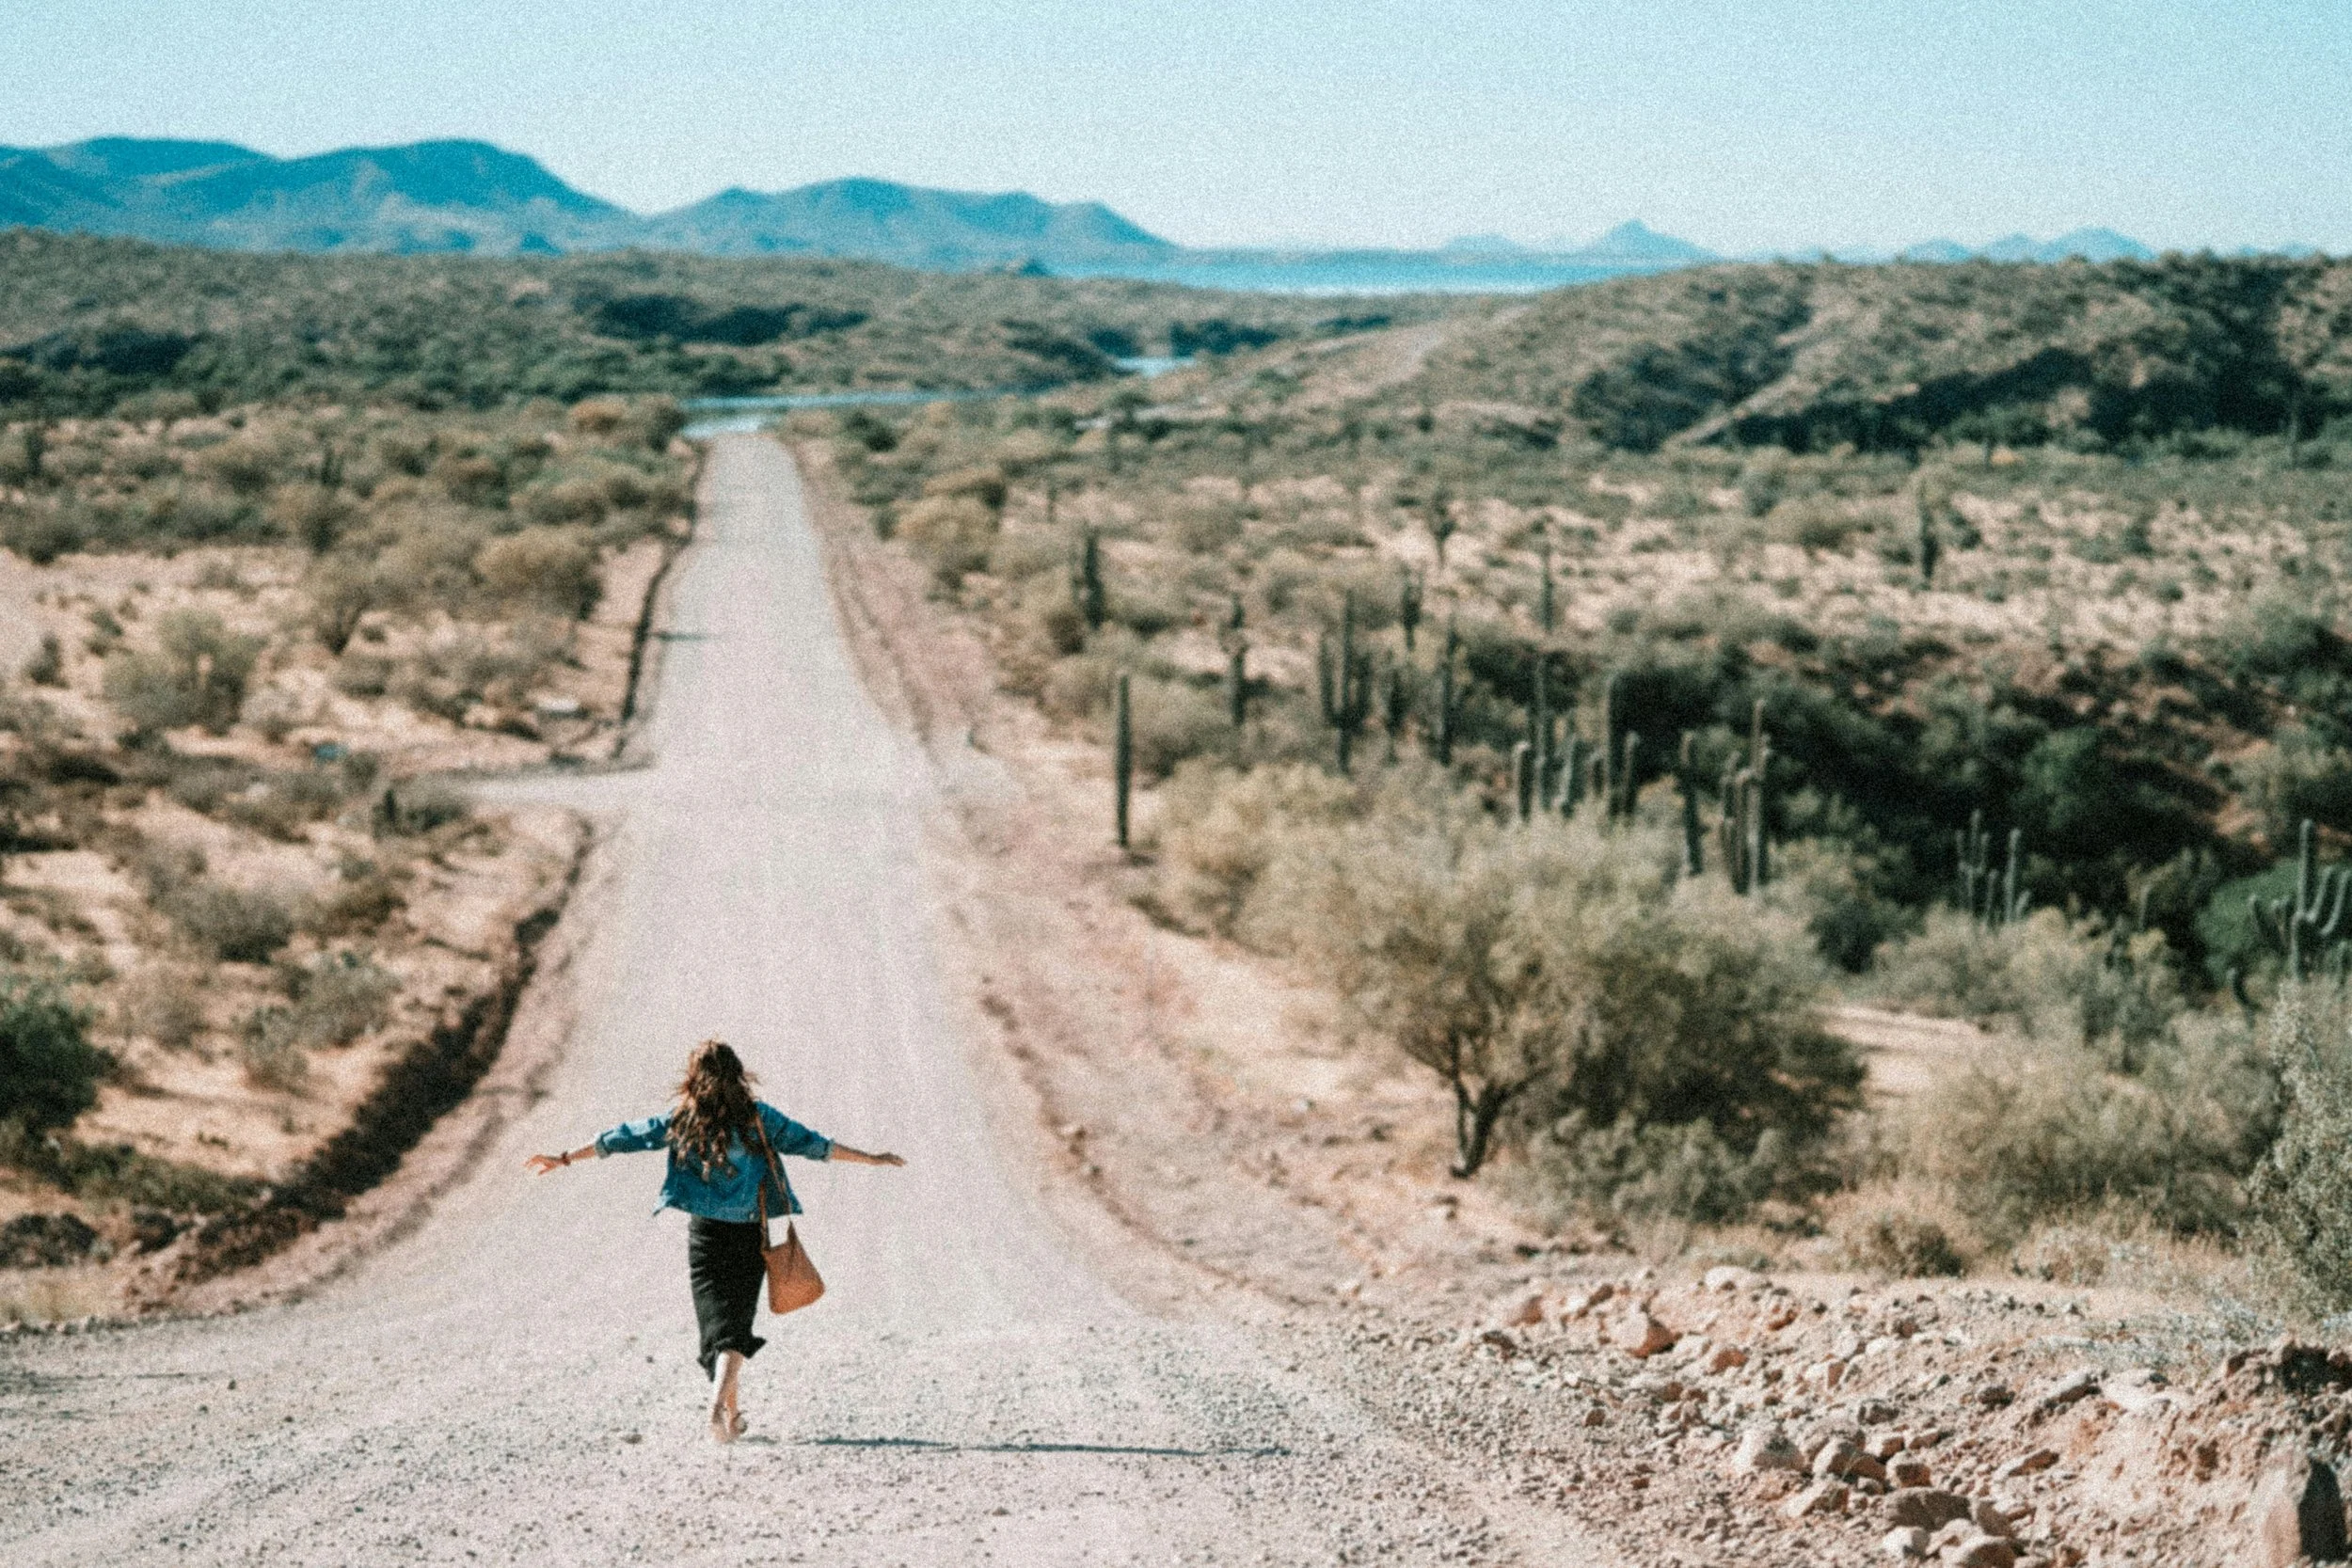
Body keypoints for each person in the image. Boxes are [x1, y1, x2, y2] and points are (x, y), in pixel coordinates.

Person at [527, 1038, 904, 1443]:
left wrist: (564, 1158)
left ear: (694, 1080)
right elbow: (815, 1145)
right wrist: (871, 1158)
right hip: (747, 1235)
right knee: (734, 1329)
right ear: (738, 1076)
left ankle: (726, 1413)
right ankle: (724, 1411)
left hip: (704, 1237)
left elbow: (621, 1138)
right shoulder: (761, 1120)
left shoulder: (682, 1121)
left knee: (717, 1330)